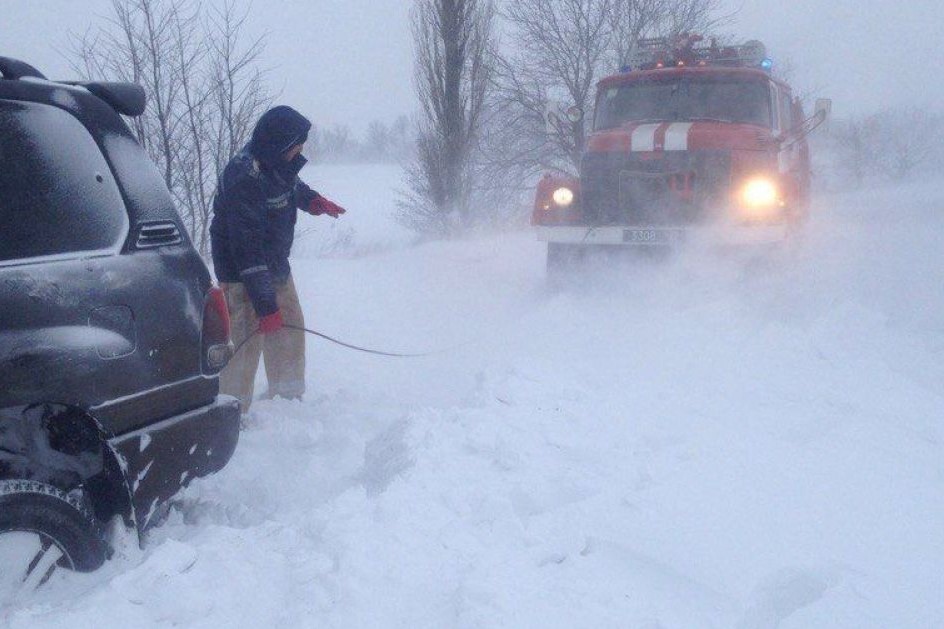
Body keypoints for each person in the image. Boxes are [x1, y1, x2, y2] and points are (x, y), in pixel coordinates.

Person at [210, 105, 346, 413]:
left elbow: (290, 185)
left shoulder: (276, 163)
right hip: (239, 270)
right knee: (245, 337)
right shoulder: (243, 177)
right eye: (297, 142)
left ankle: (288, 399)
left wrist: (313, 201)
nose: (301, 148)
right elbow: (246, 250)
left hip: (274, 262)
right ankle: (233, 409)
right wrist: (265, 305)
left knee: (289, 326)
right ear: (278, 143)